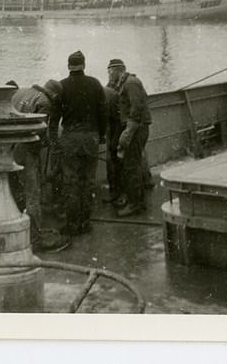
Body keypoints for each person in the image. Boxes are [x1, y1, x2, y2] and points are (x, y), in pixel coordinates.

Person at [10, 80, 70, 253]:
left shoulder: (20, 91)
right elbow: (39, 132)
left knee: (14, 193)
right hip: (25, 151)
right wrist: (44, 148)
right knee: (33, 194)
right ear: (56, 95)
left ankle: (18, 232)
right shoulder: (44, 102)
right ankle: (35, 240)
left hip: (8, 149)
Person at [56, 50, 107, 238]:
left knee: (71, 182)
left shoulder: (61, 86)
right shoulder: (95, 84)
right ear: (83, 65)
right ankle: (85, 223)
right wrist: (101, 135)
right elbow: (103, 112)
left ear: (69, 66)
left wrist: (54, 140)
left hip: (70, 138)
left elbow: (54, 117)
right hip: (91, 137)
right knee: (88, 181)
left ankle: (72, 224)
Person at [107, 59, 154, 217]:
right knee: (132, 165)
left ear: (117, 70)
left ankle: (135, 205)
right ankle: (136, 200)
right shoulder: (126, 83)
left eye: (110, 71)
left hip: (136, 130)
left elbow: (137, 109)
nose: (108, 75)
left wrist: (125, 136)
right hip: (136, 129)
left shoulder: (130, 83)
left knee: (131, 167)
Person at [102, 82, 123, 204]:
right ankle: (115, 192)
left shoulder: (108, 97)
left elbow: (118, 120)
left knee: (113, 160)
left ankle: (117, 193)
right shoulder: (107, 92)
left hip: (117, 128)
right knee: (112, 160)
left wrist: (114, 141)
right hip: (112, 127)